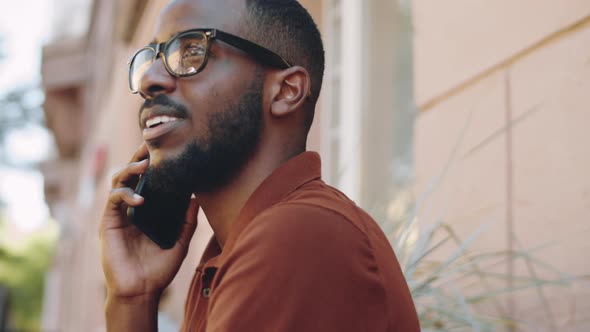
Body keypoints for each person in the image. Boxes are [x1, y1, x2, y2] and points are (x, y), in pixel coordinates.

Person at [99, 0, 420, 331]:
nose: (149, 79)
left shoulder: (299, 233)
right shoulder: (228, 254)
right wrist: (132, 298)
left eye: (192, 50)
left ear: (285, 92)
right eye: (151, 58)